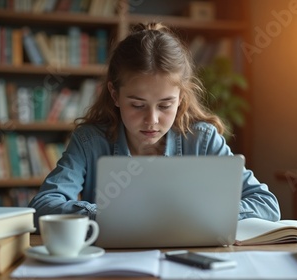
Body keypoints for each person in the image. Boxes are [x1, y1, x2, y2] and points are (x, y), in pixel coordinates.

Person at [28, 22, 280, 227]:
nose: (152, 120)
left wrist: (201, 213)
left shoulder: (203, 139)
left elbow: (266, 204)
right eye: (137, 105)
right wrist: (108, 214)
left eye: (165, 105)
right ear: (115, 95)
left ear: (180, 98)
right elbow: (43, 205)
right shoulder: (89, 141)